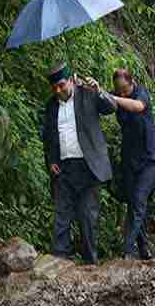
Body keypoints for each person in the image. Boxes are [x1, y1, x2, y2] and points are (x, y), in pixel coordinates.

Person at [39, 63, 115, 264]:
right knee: (61, 216)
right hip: (64, 168)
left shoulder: (88, 94)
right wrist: (52, 160)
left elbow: (111, 107)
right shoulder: (51, 105)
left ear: (71, 80)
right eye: (54, 88)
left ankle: (91, 264)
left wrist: (99, 91)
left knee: (87, 218)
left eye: (61, 85)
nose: (58, 91)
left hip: (89, 167)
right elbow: (49, 137)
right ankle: (59, 262)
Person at [111, 69, 153, 258]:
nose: (121, 93)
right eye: (118, 91)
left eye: (124, 90)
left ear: (132, 82)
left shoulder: (141, 93)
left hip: (149, 160)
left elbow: (137, 106)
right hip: (129, 160)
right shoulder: (118, 97)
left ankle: (127, 251)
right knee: (133, 204)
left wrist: (116, 98)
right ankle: (144, 249)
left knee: (138, 202)